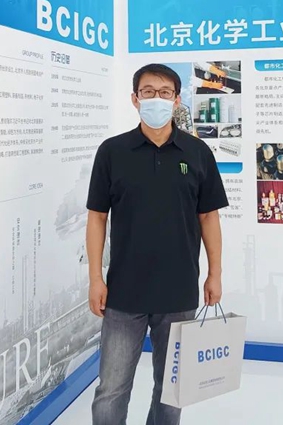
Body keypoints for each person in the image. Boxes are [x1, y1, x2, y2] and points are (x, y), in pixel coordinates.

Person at [85, 63, 229, 425]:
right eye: (148, 92)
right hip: (123, 293)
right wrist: (95, 278)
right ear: (135, 99)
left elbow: (208, 217)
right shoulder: (112, 151)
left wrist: (215, 273)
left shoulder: (197, 153)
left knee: (172, 390)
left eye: (165, 93)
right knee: (111, 390)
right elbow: (97, 217)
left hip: (178, 293)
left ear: (177, 100)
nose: (156, 99)